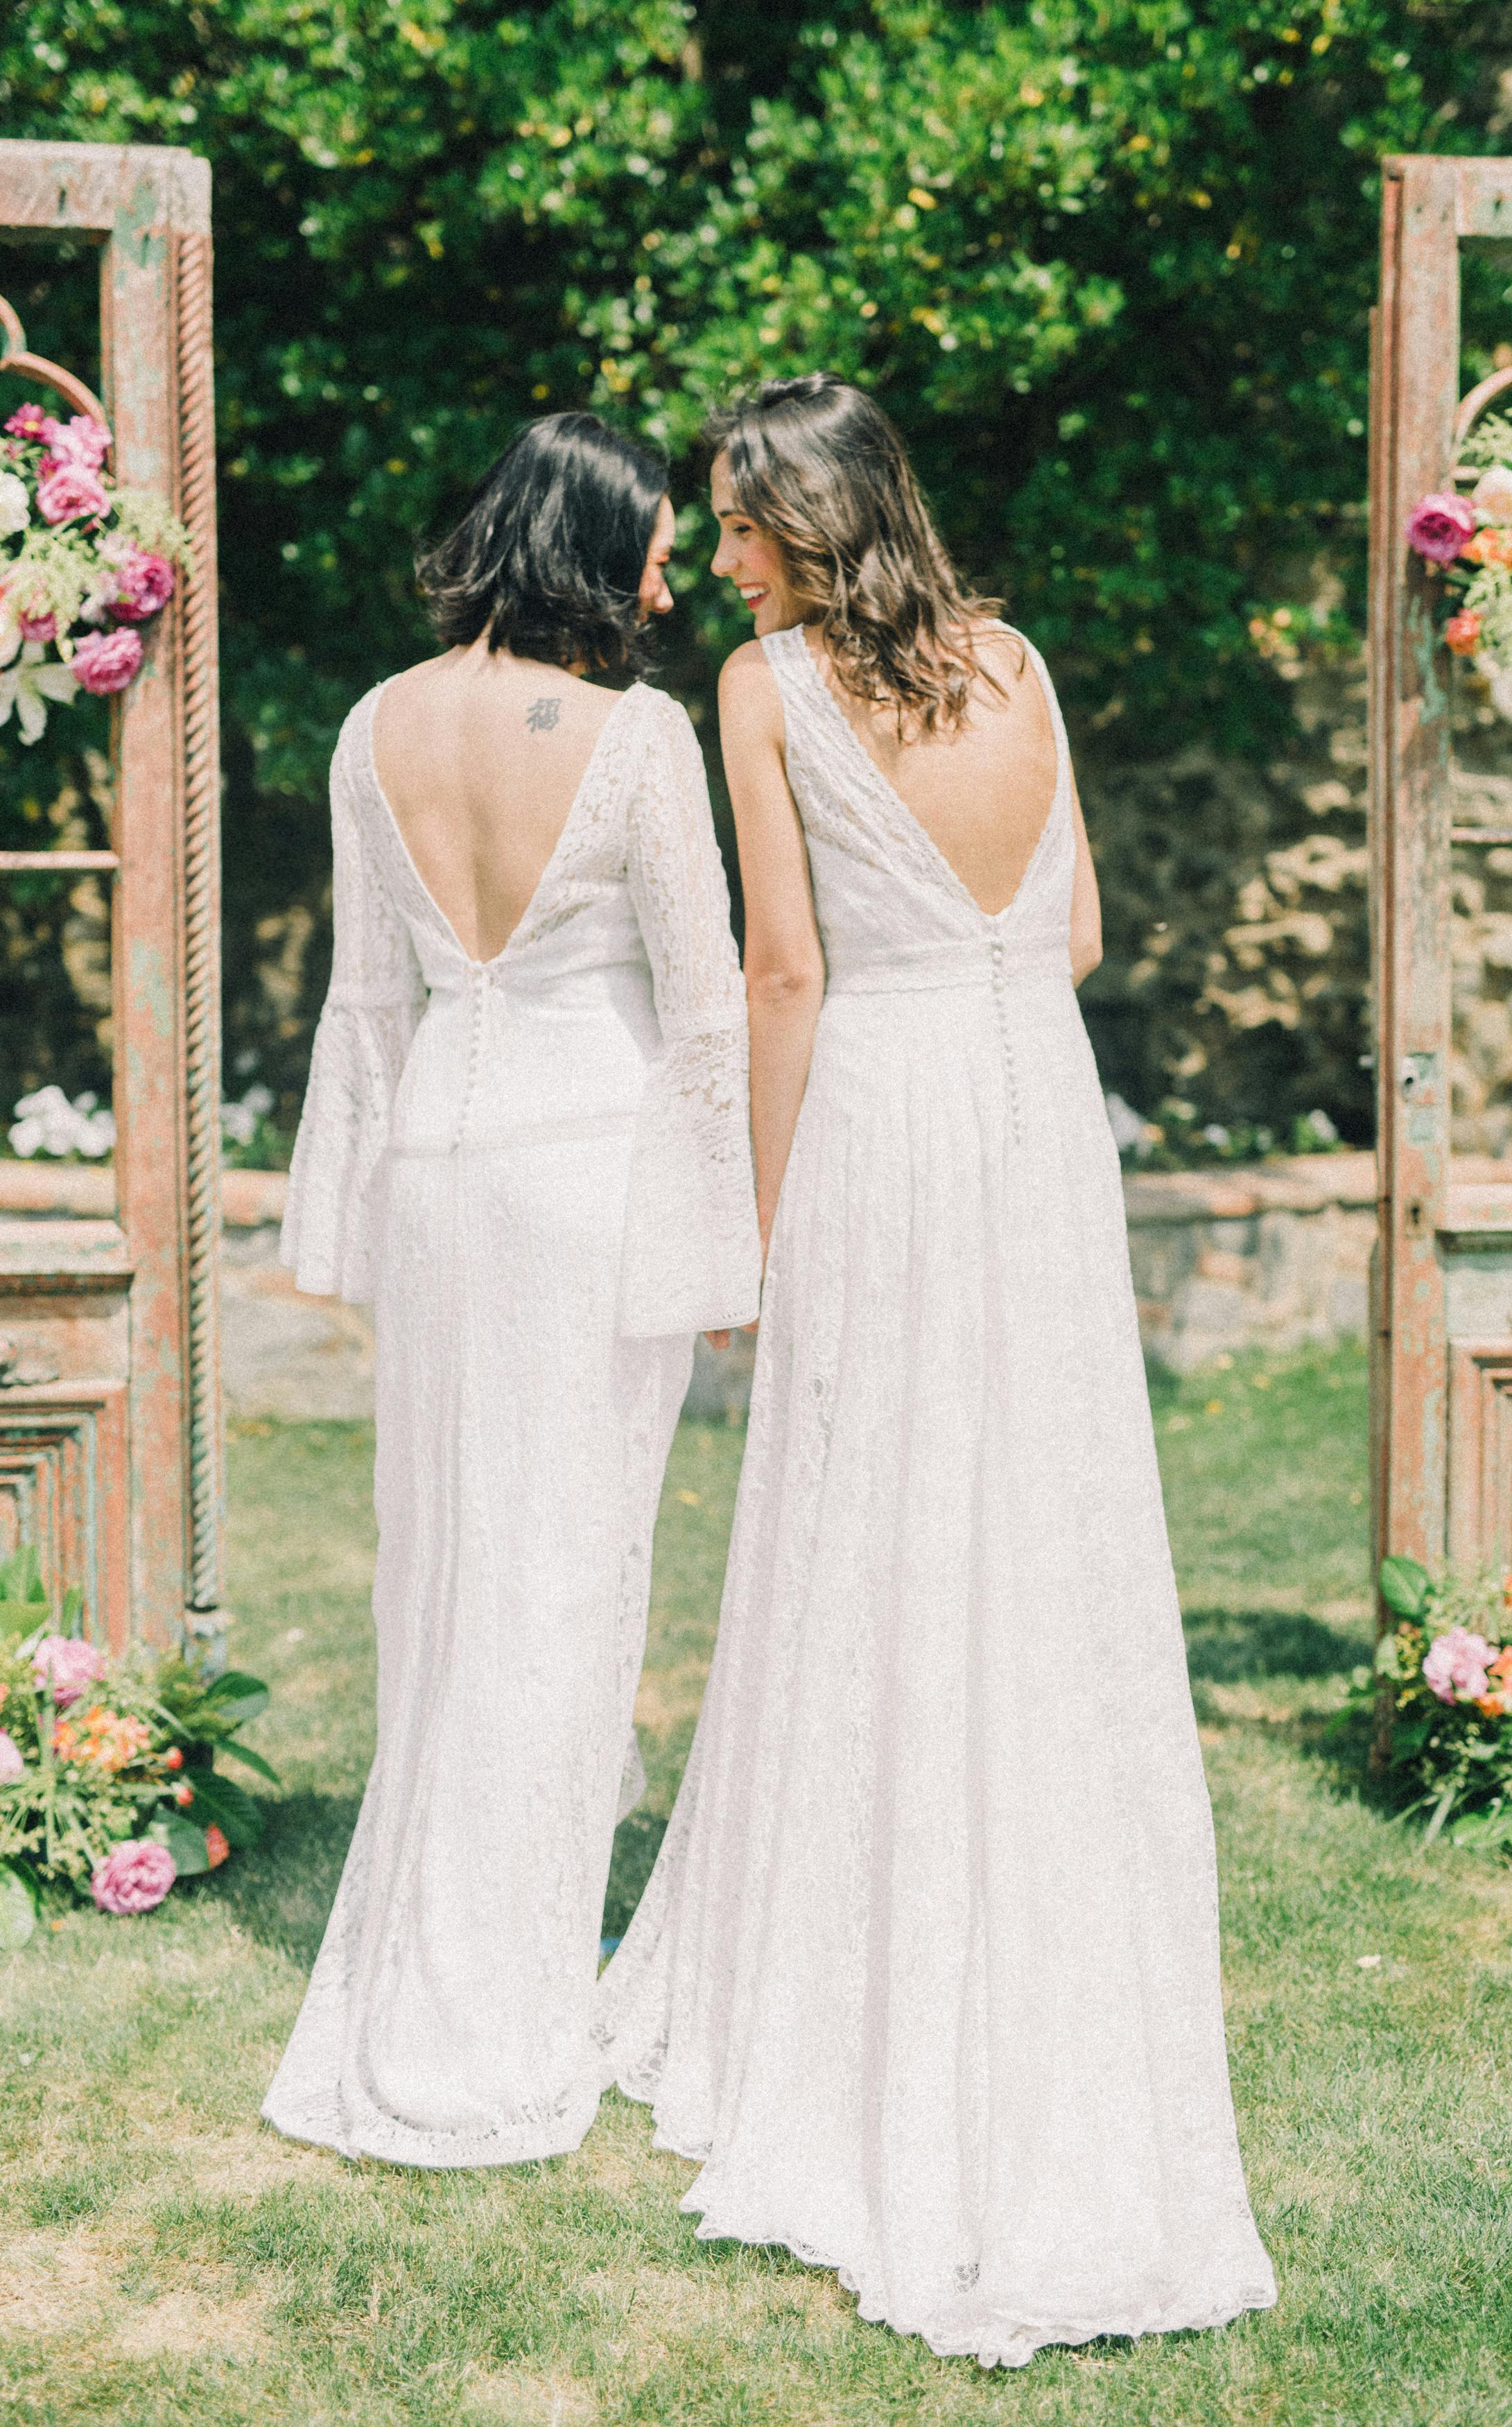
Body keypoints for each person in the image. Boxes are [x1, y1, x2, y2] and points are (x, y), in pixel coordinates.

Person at [593, 375, 1276, 2362]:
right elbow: (1070, 932)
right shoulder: (1022, 656)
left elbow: (784, 968)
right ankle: (1029, 1867)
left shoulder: (764, 681)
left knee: (866, 1497)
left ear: (809, 524)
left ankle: (853, 1945)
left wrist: (754, 1212)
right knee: (1037, 1501)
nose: (717, 558)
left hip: (883, 1110)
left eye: (736, 523)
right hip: (1032, 1116)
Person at [263, 413, 759, 2167]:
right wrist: (725, 1247)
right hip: (589, 1182)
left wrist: (345, 1230)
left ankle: (449, 1926)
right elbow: (707, 1005)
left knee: (447, 1558)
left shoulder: (371, 721)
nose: (673, 568)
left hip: (441, 1186)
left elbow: (364, 1001)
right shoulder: (638, 739)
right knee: (567, 1567)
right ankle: (517, 1970)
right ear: (584, 543)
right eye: (650, 537)